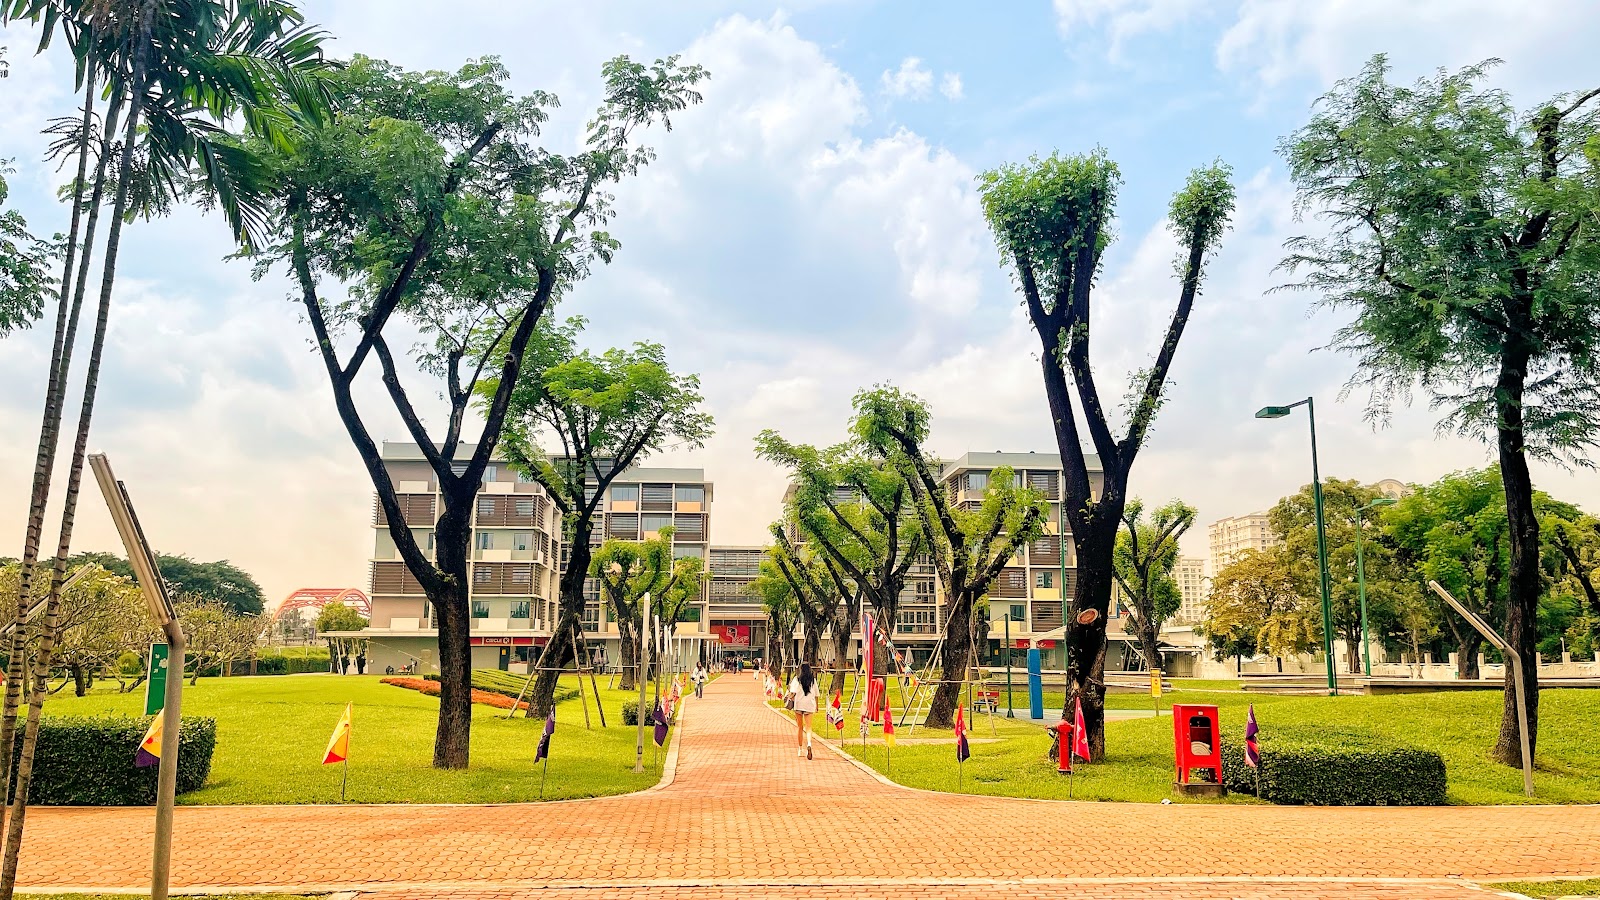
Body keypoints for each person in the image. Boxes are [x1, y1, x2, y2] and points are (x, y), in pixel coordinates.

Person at [786, 662, 820, 759]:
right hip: (809, 705)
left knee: (800, 727)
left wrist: (788, 698)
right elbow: (816, 694)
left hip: (799, 705)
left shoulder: (797, 679)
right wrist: (816, 706)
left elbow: (793, 692)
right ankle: (809, 744)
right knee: (808, 728)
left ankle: (800, 749)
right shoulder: (813, 680)